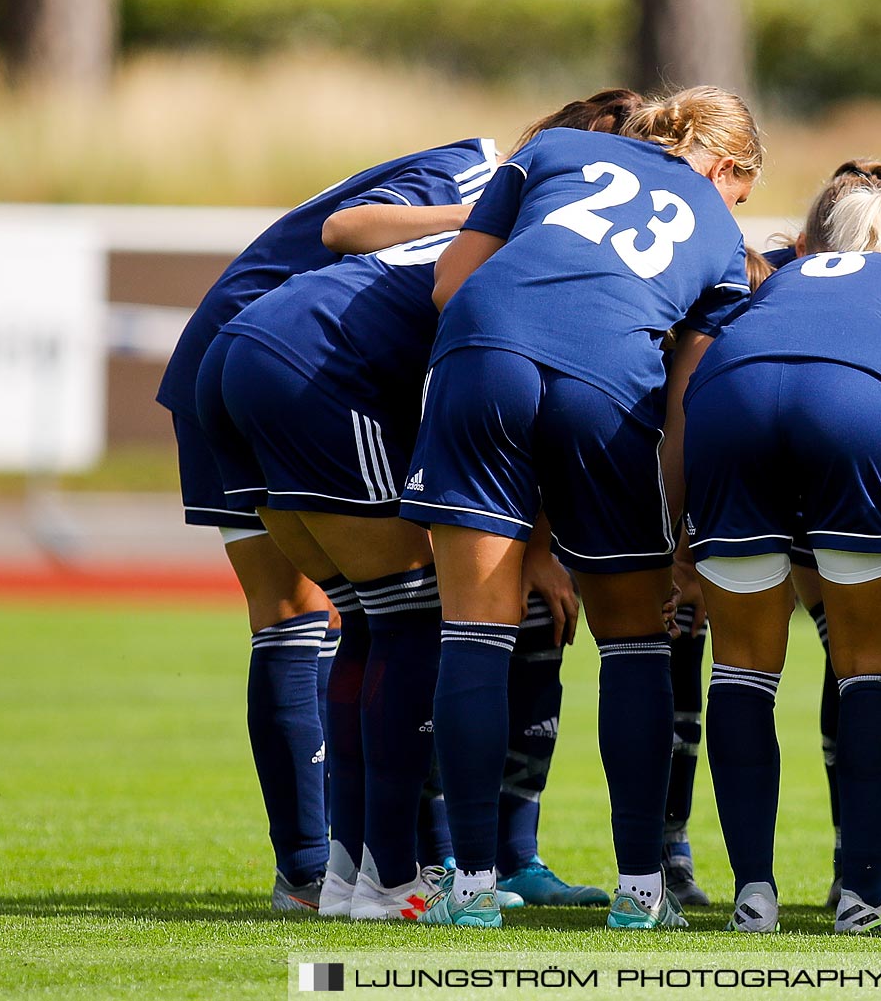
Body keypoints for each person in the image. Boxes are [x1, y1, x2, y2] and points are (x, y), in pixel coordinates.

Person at [199, 94, 640, 919]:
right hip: (314, 367)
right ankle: (394, 878)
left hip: (245, 352)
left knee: (367, 619)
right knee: (409, 621)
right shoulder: (541, 241)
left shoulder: (506, 228)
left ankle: (345, 877)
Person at [407, 85, 761, 930]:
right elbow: (685, 405)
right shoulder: (719, 233)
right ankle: (643, 891)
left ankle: (471, 887)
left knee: (475, 630)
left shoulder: (554, 152)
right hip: (608, 377)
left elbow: (450, 283)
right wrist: (672, 534)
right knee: (635, 642)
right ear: (724, 165)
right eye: (741, 188)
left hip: (484, 347)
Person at [157, 133, 500, 910]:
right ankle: (353, 870)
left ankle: (338, 871)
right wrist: (482, 211)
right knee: (350, 612)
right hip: (297, 363)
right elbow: (345, 228)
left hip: (249, 356)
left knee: (341, 615)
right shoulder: (481, 169)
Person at [685, 182, 881, 936]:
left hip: (727, 400)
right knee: (870, 665)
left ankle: (753, 894)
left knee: (741, 667)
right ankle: (862, 896)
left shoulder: (779, 275)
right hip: (854, 405)